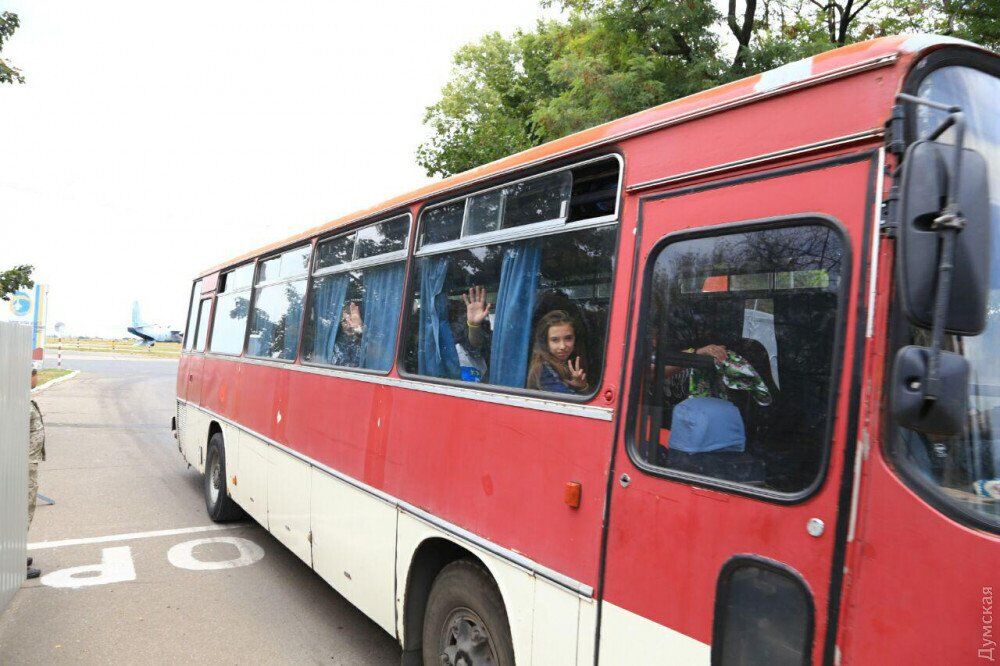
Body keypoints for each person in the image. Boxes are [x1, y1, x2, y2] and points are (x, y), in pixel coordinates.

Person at [526, 310, 589, 394]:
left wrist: (582, 386)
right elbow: (570, 403)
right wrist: (583, 389)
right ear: (546, 343)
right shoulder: (543, 369)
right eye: (555, 340)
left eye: (568, 338)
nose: (562, 346)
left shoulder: (568, 362)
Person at [27, 368, 45, 580]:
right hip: (22, 467)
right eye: (34, 373)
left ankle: (14, 555)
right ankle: (11, 563)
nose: (37, 376)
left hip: (27, 465)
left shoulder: (23, 399)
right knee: (20, 513)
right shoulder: (18, 402)